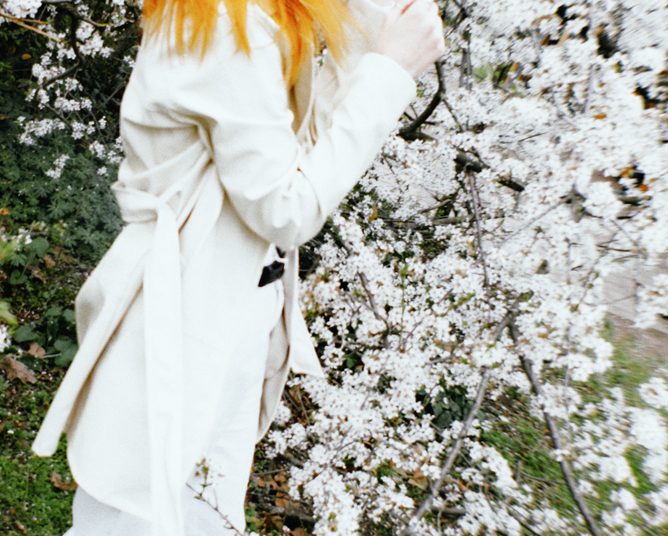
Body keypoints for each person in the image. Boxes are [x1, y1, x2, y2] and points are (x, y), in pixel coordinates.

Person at [30, 0, 446, 534]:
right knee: (135, 515)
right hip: (184, 311)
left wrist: (370, 34)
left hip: (231, 311)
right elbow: (287, 207)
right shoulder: (228, 21)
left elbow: (302, 156)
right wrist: (389, 73)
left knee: (203, 512)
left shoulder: (263, 17)